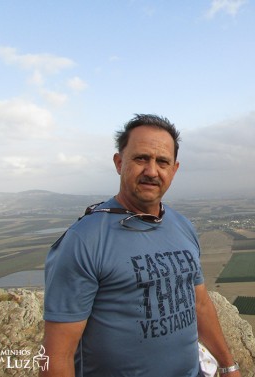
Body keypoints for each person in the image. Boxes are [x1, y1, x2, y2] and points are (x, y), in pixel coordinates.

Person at [41, 114, 241, 377]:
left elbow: (199, 303)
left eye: (162, 162)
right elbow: (56, 355)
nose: (151, 171)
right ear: (118, 162)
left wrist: (228, 365)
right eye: (140, 158)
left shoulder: (182, 226)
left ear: (174, 169)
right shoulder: (84, 240)